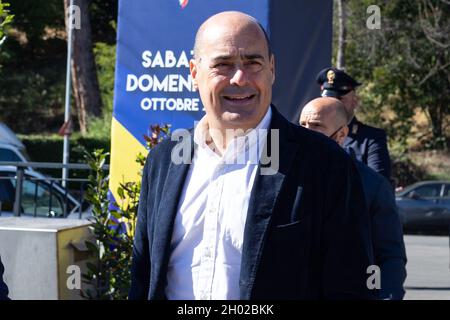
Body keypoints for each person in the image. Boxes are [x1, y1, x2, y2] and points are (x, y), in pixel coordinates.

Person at [129, 11, 374, 300]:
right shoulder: (164, 160)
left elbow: (349, 287)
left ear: (272, 69)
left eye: (253, 63)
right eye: (223, 64)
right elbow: (143, 277)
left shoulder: (324, 164)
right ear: (195, 73)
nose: (240, 78)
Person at [300, 97, 407, 300]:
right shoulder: (285, 176)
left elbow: (388, 257)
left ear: (341, 135)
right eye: (302, 124)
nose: (305, 132)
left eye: (315, 126)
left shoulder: (372, 186)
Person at [316, 67, 392, 180]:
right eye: (328, 100)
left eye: (339, 99)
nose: (333, 105)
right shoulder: (312, 133)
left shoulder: (372, 139)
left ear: (354, 102)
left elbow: (377, 185)